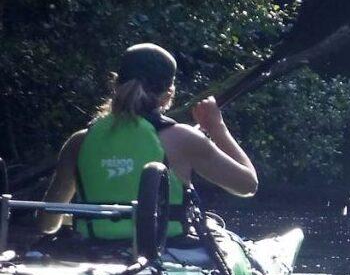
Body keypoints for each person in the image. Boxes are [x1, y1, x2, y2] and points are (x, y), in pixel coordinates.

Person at [38, 43, 257, 240]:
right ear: (168, 93)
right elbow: (248, 185)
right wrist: (217, 128)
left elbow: (47, 224)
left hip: (93, 252)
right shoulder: (183, 138)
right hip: (165, 254)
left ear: (116, 85)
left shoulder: (79, 141)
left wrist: (86, 218)